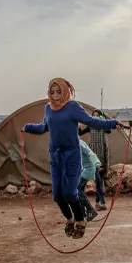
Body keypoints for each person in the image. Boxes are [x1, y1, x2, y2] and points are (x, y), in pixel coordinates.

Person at [22, 78, 124, 239]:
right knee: (57, 195)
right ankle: (69, 219)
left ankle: (81, 220)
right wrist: (28, 127)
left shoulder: (73, 107)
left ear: (66, 91)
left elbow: (91, 121)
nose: (55, 95)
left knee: (70, 192)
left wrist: (112, 123)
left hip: (71, 155)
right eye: (52, 91)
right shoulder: (48, 109)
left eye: (58, 91)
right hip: (56, 155)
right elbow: (44, 127)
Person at [79, 109, 111, 211]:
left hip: (101, 157)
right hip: (92, 157)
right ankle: (98, 203)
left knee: (99, 181)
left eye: (98, 115)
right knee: (97, 181)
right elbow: (80, 133)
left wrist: (104, 121)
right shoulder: (90, 126)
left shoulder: (103, 126)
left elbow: (109, 130)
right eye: (94, 115)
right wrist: (78, 127)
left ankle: (100, 202)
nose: (95, 117)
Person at [78, 139, 101, 221]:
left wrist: (97, 163)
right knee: (79, 192)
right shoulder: (73, 142)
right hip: (83, 170)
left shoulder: (80, 142)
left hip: (88, 170)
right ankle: (84, 213)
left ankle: (90, 210)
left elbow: (90, 153)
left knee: (77, 189)